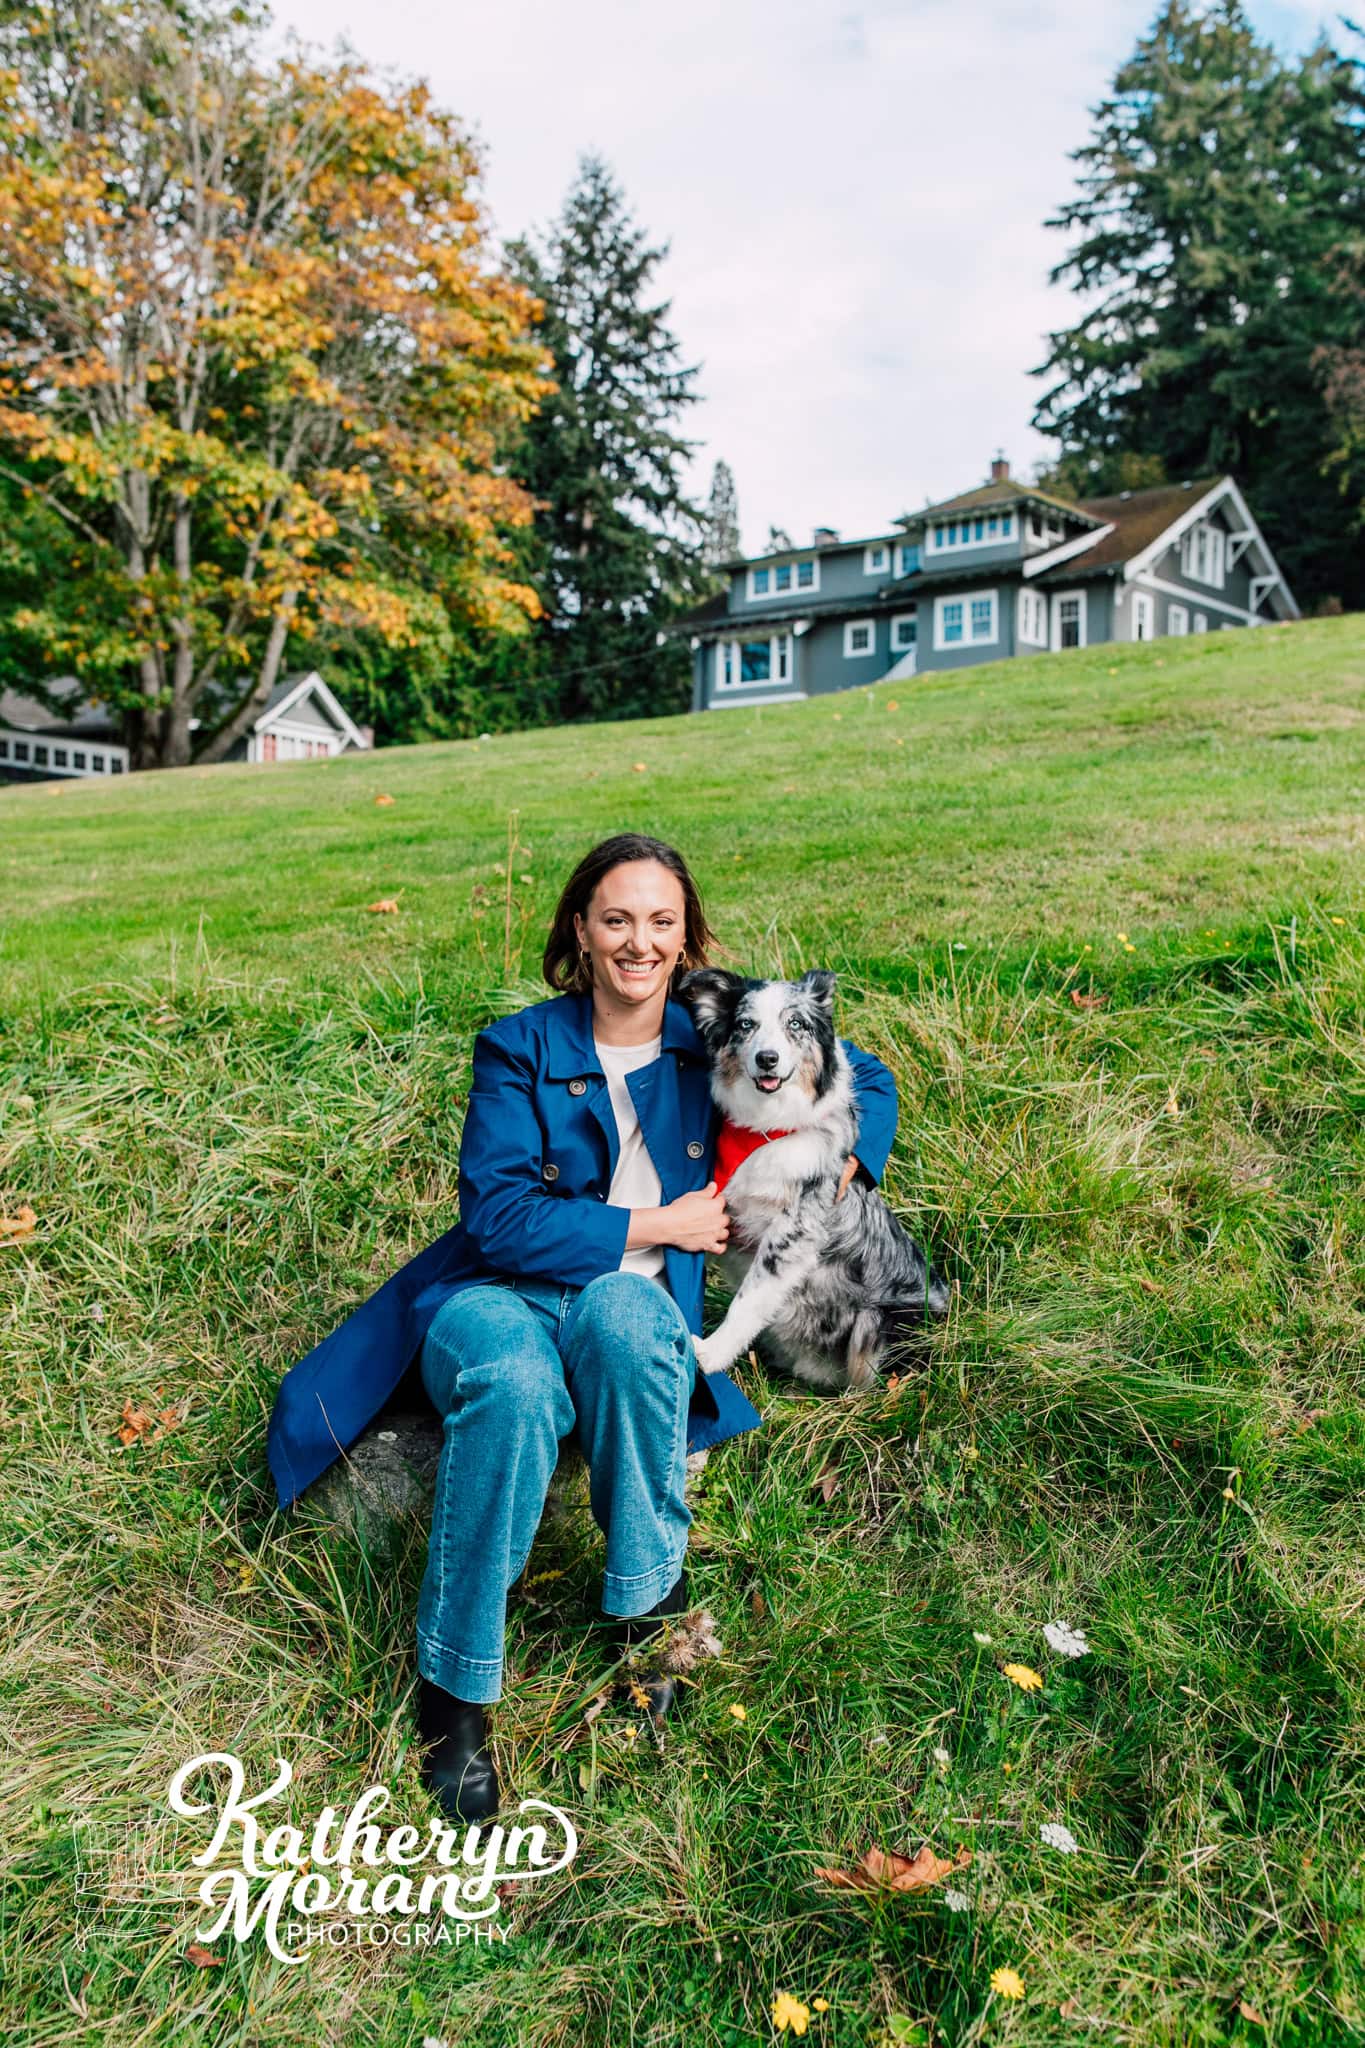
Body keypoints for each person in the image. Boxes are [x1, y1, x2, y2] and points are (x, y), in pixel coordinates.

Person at [265, 833, 899, 1826]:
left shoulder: (719, 1039)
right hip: (495, 1294)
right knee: (515, 1386)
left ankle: (645, 1614)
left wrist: (838, 1171)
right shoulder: (520, 1045)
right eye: (617, 918)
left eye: (660, 920)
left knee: (630, 1323)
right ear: (582, 929)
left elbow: (867, 1077)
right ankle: (458, 1692)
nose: (638, 940)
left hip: (626, 1299)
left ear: (686, 935)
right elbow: (499, 1216)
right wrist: (662, 1222)